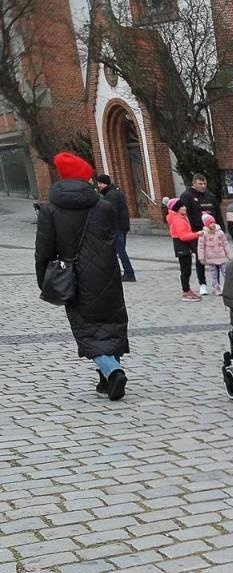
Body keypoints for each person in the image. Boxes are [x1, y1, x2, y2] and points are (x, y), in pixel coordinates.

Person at [36, 152, 130, 399]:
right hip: (107, 273)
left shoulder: (50, 210)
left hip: (74, 277)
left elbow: (43, 251)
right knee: (111, 324)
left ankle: (112, 372)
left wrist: (44, 281)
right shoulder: (104, 206)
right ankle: (106, 380)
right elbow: (112, 240)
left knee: (86, 328)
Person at [176, 173, 218, 295]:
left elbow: (217, 212)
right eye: (200, 184)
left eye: (204, 183)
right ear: (194, 183)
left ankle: (217, 283)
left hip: (212, 231)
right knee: (200, 258)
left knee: (216, 257)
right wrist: (190, 231)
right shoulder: (187, 196)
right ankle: (202, 284)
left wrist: (220, 228)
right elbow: (184, 214)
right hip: (197, 232)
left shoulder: (210, 196)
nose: (203, 186)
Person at [94, 173, 135, 281]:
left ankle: (129, 272)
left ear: (105, 183)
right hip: (121, 226)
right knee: (119, 251)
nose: (98, 186)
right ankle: (120, 272)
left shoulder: (111, 195)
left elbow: (110, 213)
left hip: (117, 228)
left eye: (99, 183)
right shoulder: (114, 193)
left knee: (120, 251)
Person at [167, 196, 201, 300]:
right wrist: (198, 234)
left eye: (183, 205)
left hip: (184, 247)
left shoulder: (181, 217)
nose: (184, 208)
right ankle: (186, 291)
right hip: (182, 247)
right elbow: (183, 236)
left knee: (186, 270)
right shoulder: (178, 220)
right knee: (185, 270)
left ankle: (187, 290)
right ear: (176, 209)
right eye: (181, 206)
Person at [197, 212, 232, 292]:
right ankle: (216, 288)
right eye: (210, 223)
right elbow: (201, 246)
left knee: (225, 272)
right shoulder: (203, 234)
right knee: (214, 274)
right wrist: (201, 258)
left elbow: (225, 243)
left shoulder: (220, 232)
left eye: (213, 222)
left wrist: (228, 254)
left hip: (221, 256)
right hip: (211, 258)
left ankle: (227, 287)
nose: (212, 224)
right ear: (206, 224)